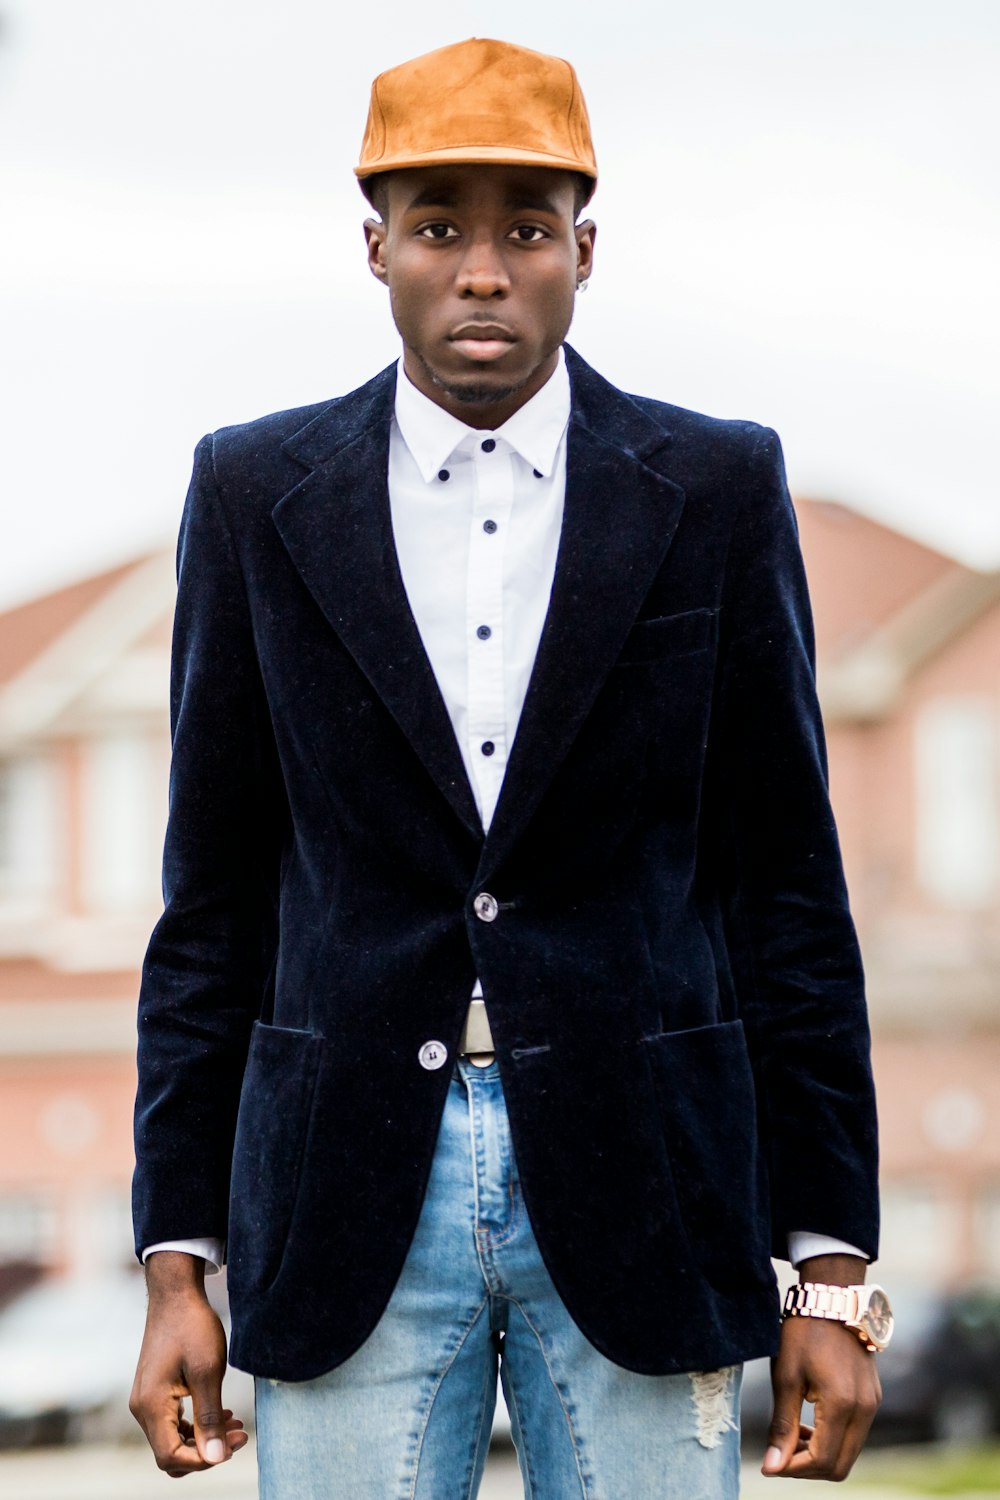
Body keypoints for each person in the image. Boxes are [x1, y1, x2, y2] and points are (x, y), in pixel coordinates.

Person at [129, 37, 889, 1498]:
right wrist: (178, 1261)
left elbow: (788, 890)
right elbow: (211, 904)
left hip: (648, 1187)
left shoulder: (718, 489)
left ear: (584, 252)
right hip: (344, 1194)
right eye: (439, 229)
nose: (483, 270)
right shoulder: (252, 493)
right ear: (377, 250)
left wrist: (830, 1272)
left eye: (526, 231)